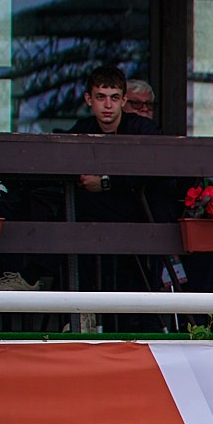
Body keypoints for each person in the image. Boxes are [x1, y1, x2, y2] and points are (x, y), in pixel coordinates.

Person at [66, 63, 174, 311]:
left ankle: (83, 312)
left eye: (114, 98)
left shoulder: (143, 130)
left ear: (124, 100)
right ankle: (81, 313)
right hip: (98, 219)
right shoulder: (82, 130)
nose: (107, 105)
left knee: (79, 212)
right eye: (100, 97)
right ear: (88, 99)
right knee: (67, 211)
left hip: (143, 217)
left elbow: (155, 169)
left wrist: (106, 182)